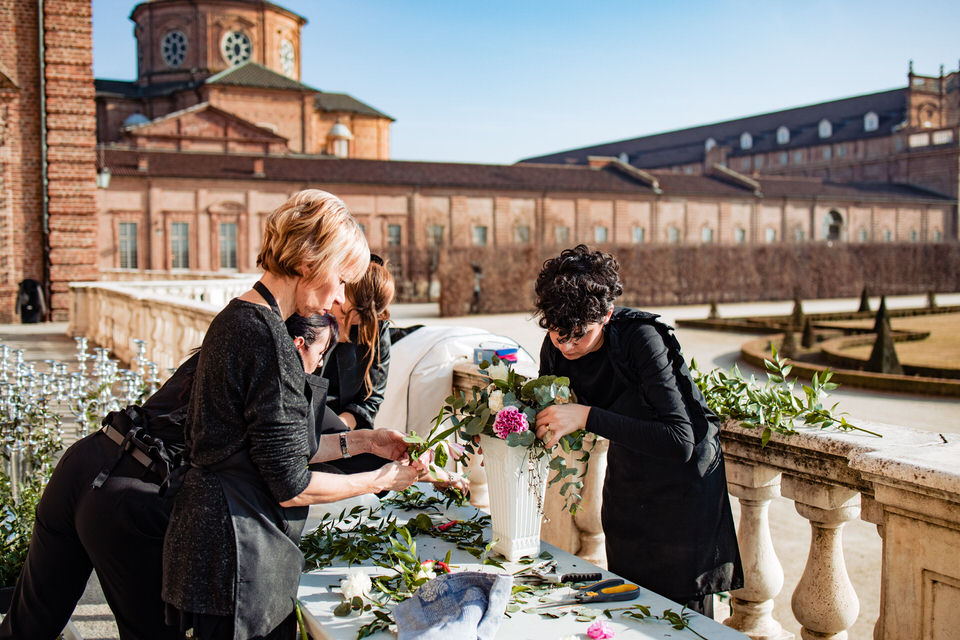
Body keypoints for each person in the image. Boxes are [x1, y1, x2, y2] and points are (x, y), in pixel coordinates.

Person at [161, 189, 421, 640]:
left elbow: (276, 450)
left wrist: (366, 441)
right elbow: (290, 485)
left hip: (215, 550)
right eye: (340, 280)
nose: (341, 299)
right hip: (232, 561)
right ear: (308, 262)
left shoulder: (242, 317)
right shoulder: (264, 337)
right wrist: (380, 480)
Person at [0, 312, 348, 640]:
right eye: (321, 351)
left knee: (28, 625)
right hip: (128, 495)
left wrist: (363, 442)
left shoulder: (225, 347)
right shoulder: (272, 374)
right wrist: (379, 475)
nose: (320, 364)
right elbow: (286, 469)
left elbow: (286, 446)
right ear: (297, 344)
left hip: (87, 460)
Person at [532, 245, 743, 617]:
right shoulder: (556, 346)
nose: (566, 345)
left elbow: (680, 441)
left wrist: (586, 416)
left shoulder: (641, 338)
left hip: (684, 492)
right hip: (629, 481)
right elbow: (546, 418)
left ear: (608, 314)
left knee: (682, 620)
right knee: (630, 607)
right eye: (556, 332)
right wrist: (505, 433)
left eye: (578, 335)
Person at [321, 259, 468, 492]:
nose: (344, 325)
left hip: (343, 427)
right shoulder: (315, 317)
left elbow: (371, 399)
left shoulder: (377, 332)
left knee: (372, 457)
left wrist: (339, 429)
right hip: (309, 418)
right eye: (344, 314)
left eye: (355, 320)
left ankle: (420, 472)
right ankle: (426, 475)